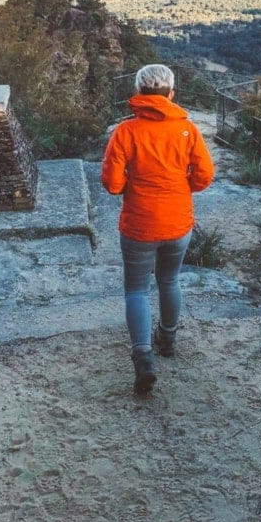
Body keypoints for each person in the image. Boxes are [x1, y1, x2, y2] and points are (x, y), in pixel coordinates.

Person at [101, 64, 215, 395]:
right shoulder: (188, 130)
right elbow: (205, 174)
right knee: (169, 279)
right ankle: (168, 339)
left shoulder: (126, 132)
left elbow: (111, 182)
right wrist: (182, 188)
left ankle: (143, 358)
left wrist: (128, 185)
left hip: (139, 223)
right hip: (178, 221)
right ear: (170, 94)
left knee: (136, 290)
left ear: (139, 93)